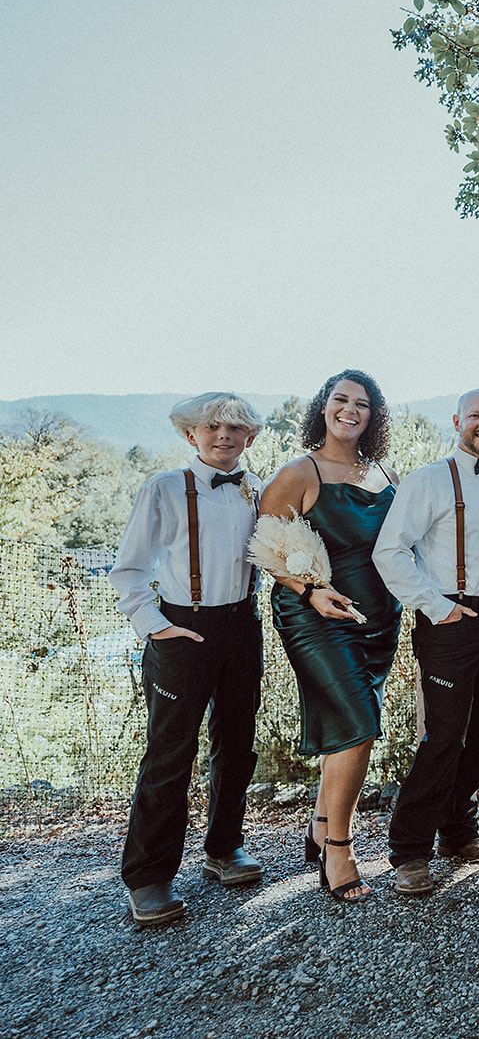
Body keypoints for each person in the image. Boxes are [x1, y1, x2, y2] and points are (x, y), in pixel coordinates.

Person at [110, 393, 267, 926]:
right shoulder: (163, 489)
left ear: (251, 437)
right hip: (182, 628)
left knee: (238, 742)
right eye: (212, 426)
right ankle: (150, 876)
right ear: (190, 435)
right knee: (170, 753)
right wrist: (157, 626)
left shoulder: (256, 490)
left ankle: (224, 848)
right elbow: (128, 571)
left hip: (242, 627)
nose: (224, 435)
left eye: (236, 427)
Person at [259, 370, 402, 902]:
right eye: (340, 400)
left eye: (361, 404)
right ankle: (338, 849)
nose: (350, 410)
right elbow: (264, 544)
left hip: (378, 619)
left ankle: (319, 825)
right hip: (317, 616)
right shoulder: (300, 472)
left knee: (348, 724)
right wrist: (309, 590)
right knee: (359, 724)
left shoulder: (380, 472)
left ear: (373, 416)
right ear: (323, 408)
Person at [374, 389, 479, 896]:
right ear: (458, 421)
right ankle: (409, 850)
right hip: (450, 617)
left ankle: (458, 833)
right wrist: (437, 607)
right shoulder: (429, 480)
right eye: (476, 416)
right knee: (444, 736)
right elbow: (389, 551)